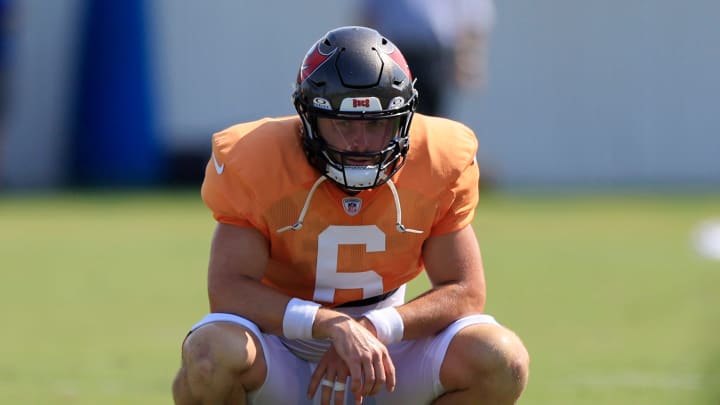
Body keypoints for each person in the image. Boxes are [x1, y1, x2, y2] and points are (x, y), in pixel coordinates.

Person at [172, 26, 528, 405]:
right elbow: (228, 289)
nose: (360, 142)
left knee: (501, 358)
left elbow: (464, 289)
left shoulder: (437, 158)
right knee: (209, 356)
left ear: (404, 119)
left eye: (377, 124)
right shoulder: (257, 161)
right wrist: (330, 325)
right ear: (308, 118)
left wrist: (375, 327)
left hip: (388, 351)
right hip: (281, 345)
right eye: (342, 124)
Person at [355, 0, 496, 116]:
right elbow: (367, 17)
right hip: (393, 58)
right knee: (394, 111)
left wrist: (469, 58)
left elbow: (475, 21)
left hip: (436, 58)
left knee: (434, 118)